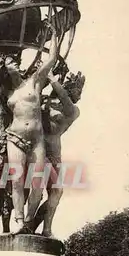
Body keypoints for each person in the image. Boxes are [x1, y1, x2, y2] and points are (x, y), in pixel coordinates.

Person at [0, 24, 58, 234]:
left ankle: (29, 222)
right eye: (10, 61)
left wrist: (55, 35)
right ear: (6, 68)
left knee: (38, 186)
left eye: (14, 60)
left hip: (36, 140)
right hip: (14, 138)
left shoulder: (34, 82)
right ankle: (20, 221)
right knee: (17, 182)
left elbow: (51, 60)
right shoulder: (7, 93)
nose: (14, 62)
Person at [30, 70, 85, 237]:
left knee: (55, 191)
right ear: (69, 87)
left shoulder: (73, 110)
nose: (79, 96)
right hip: (38, 150)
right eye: (77, 91)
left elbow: (64, 99)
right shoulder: (45, 100)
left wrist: (53, 79)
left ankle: (40, 227)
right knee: (43, 189)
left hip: (54, 154)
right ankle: (36, 226)